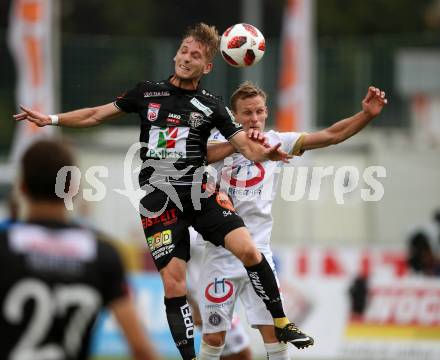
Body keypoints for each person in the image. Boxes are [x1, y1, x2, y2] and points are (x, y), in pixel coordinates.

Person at [14, 23, 311, 360]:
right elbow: (96, 114)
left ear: (207, 66)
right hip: (159, 201)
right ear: (175, 54)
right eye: (184, 50)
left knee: (249, 250)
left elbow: (244, 145)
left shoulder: (211, 105)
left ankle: (282, 321)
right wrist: (50, 119)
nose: (186, 57)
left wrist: (267, 152)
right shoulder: (147, 93)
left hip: (199, 193)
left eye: (195, 55)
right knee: (174, 283)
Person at [195, 81, 388, 359]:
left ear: (266, 112)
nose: (254, 119)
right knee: (214, 336)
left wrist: (367, 115)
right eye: (247, 113)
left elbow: (331, 135)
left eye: (259, 111)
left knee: (274, 333)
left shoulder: (276, 141)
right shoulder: (217, 144)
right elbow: (194, 156)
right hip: (220, 255)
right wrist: (237, 144)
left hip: (259, 255)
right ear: (234, 116)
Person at [0, 140, 159, 360]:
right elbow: (141, 349)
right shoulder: (101, 253)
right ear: (73, 189)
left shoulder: (5, 245)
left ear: (22, 187)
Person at [186, 228, 252, 360]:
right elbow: (177, 272)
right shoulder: (187, 233)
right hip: (205, 301)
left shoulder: (211, 222)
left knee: (224, 353)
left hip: (220, 296)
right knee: (242, 353)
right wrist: (194, 305)